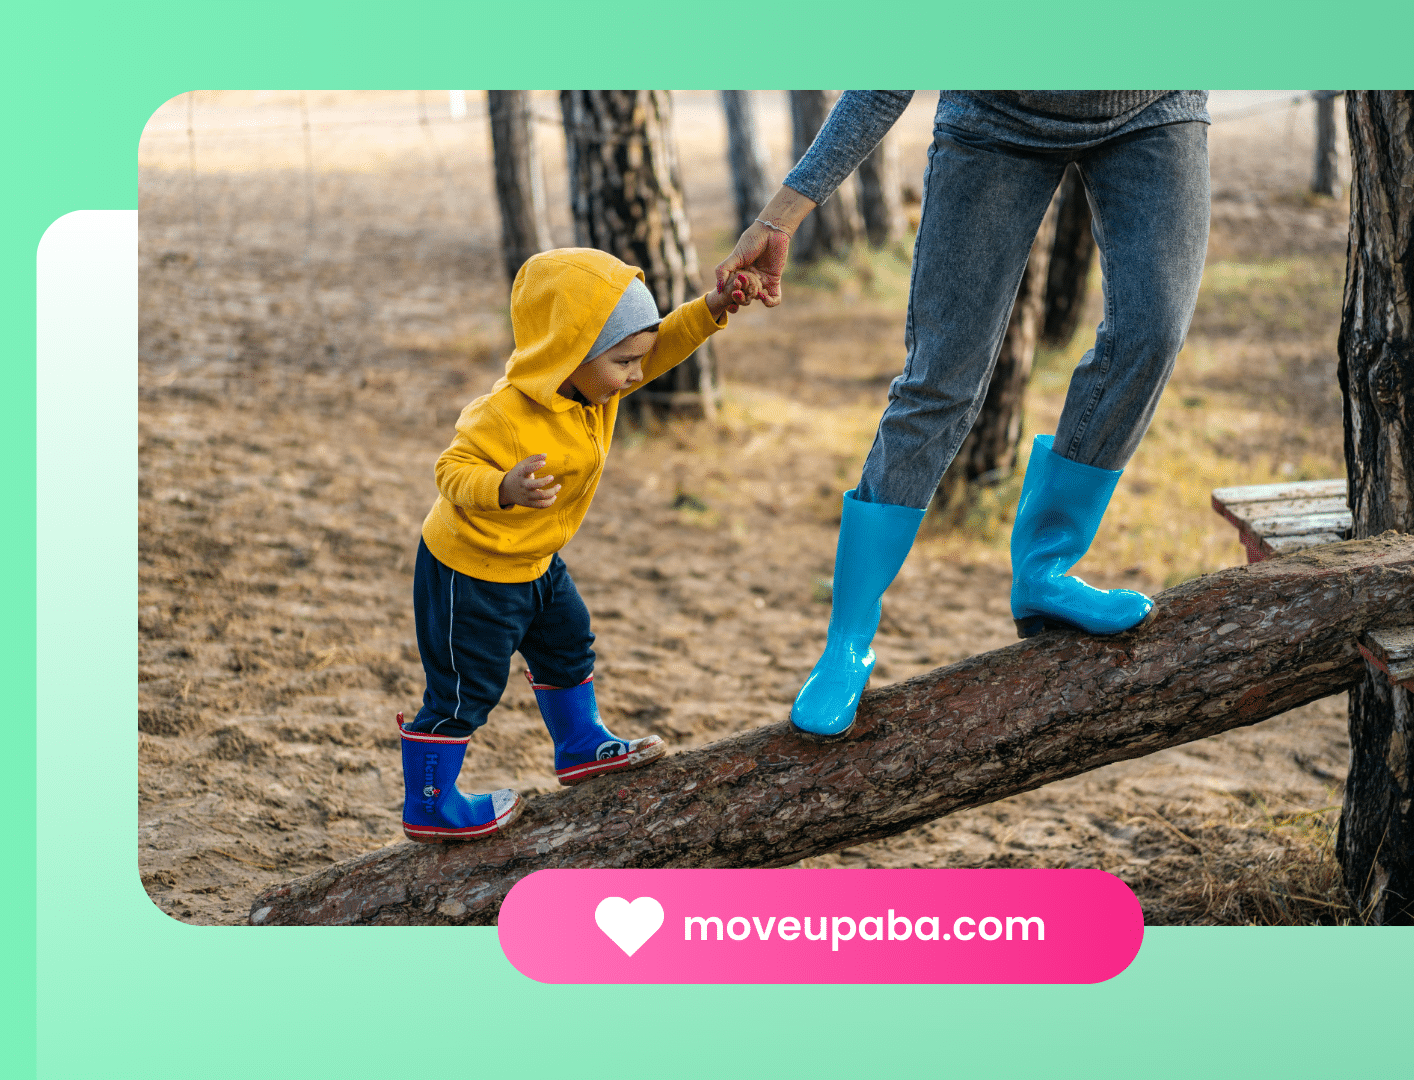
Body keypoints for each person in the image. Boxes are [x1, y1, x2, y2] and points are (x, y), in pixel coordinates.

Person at [716, 91, 1212, 738]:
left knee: (1150, 336)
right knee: (940, 382)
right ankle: (847, 643)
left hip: (1155, 105)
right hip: (996, 118)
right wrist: (783, 216)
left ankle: (1046, 570)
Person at [398, 248, 753, 842]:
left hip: (536, 561)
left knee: (568, 640)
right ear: (570, 353)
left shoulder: (596, 387)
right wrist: (502, 487)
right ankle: (430, 803)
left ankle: (580, 745)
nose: (637, 374)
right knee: (466, 689)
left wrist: (712, 309)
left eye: (637, 360)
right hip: (472, 571)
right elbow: (450, 469)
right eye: (623, 362)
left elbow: (657, 347)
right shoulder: (504, 415)